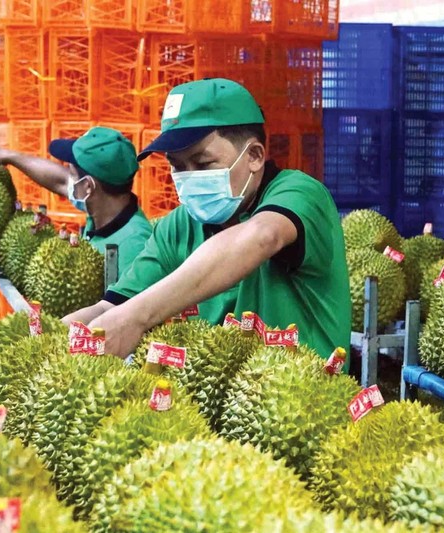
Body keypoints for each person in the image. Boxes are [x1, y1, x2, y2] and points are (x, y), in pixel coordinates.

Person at [69, 78, 351, 365]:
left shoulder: (300, 193)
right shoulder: (179, 225)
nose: (189, 176)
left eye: (203, 164)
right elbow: (112, 306)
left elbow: (263, 236)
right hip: (214, 403)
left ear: (254, 156)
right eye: (178, 167)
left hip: (300, 400)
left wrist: (137, 317)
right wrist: (54, 336)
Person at [0, 126, 153, 271]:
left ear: (88, 187)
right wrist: (6, 156)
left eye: (72, 173)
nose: (69, 179)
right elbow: (59, 180)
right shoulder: (104, 207)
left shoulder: (135, 247)